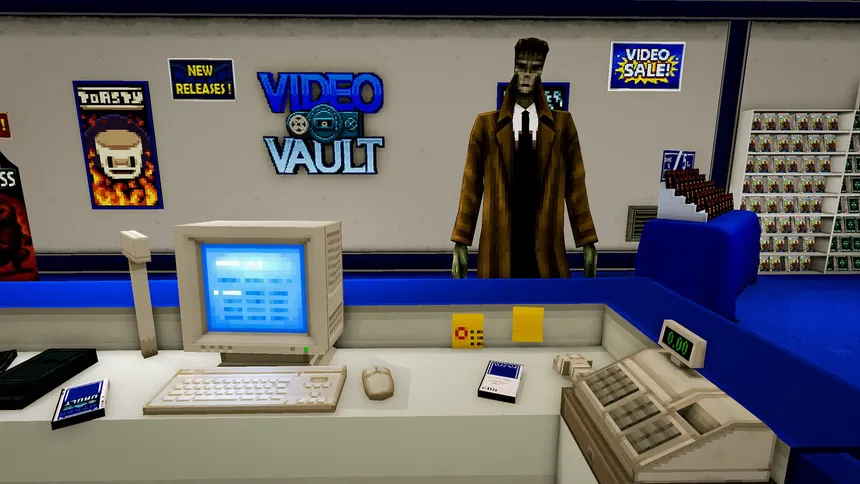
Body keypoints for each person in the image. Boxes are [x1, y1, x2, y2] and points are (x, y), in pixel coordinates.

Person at [451, 37, 598, 279]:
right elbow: (471, 186)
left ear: (541, 72)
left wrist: (587, 240)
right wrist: (461, 240)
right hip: (499, 243)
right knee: (496, 302)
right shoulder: (486, 125)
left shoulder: (562, 125)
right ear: (514, 68)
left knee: (548, 302)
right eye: (522, 67)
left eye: (534, 68)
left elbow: (576, 187)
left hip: (546, 244)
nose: (527, 74)